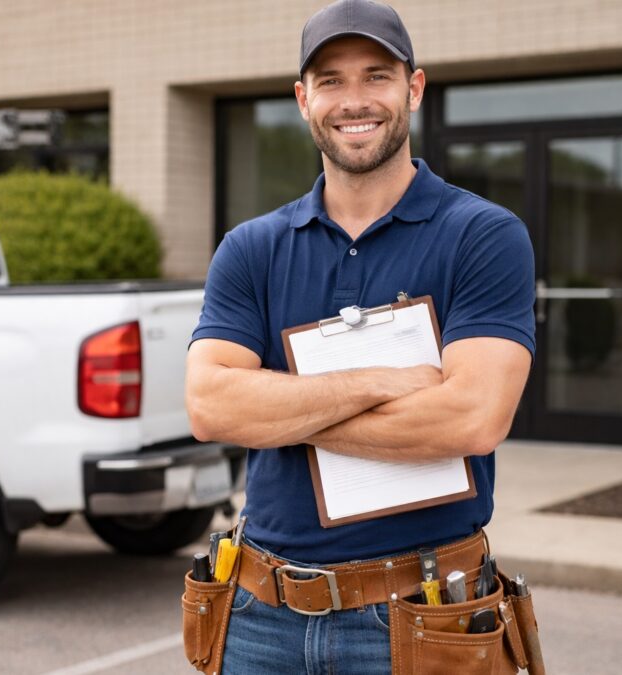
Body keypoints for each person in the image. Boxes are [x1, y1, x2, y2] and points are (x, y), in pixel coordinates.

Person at [184, 1, 535, 673]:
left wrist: (277, 409)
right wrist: (382, 383)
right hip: (261, 617)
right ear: (302, 98)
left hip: (424, 613)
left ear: (414, 87)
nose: (355, 100)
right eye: (331, 80)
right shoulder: (251, 249)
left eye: (376, 75)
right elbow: (209, 406)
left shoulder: (483, 235)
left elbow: (473, 416)